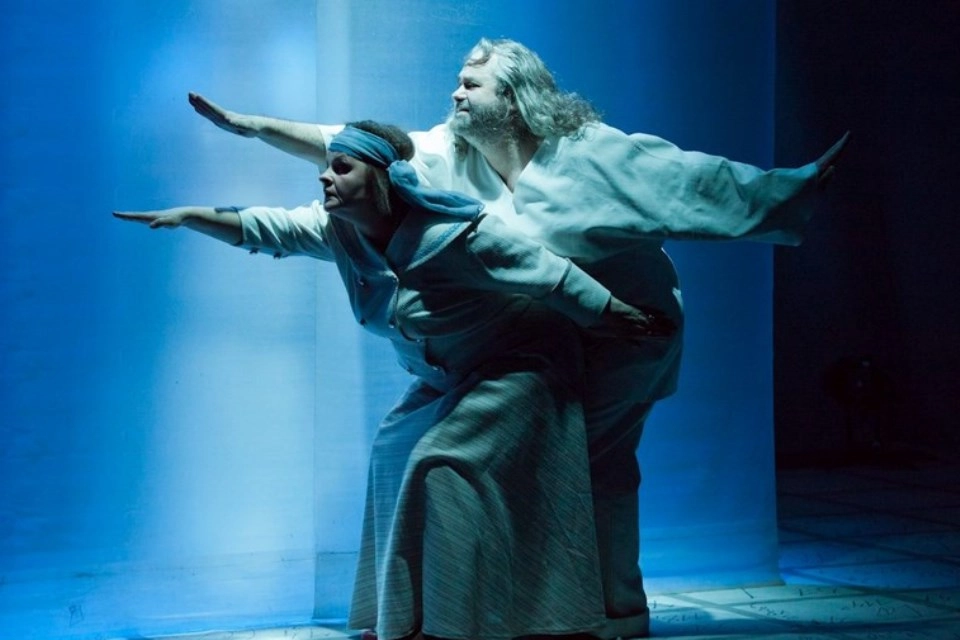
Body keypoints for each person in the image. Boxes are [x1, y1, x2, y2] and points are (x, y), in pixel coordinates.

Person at [188, 38, 848, 639]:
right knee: (539, 472)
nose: (456, 93)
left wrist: (793, 188)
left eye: (472, 84)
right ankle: (535, 610)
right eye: (458, 81)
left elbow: (695, 183)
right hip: (543, 339)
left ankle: (614, 611)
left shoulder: (593, 154)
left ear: (514, 97)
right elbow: (361, 150)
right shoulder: (454, 154)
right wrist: (255, 127)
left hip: (628, 332)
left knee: (600, 471)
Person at [115, 121, 674, 640]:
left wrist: (618, 316)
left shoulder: (454, 236)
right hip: (447, 376)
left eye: (341, 167)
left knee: (441, 463)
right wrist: (190, 216)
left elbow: (549, 275)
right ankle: (402, 616)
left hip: (521, 367)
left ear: (382, 178)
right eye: (326, 166)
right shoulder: (343, 234)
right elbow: (269, 227)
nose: (325, 177)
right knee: (391, 452)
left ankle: (457, 624)